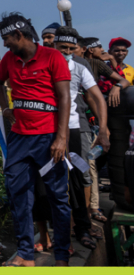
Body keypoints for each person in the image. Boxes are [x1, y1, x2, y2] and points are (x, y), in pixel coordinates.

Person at [0, 12, 72, 267]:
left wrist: (61, 139)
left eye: (7, 38)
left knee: (58, 197)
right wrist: (6, 109)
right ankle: (26, 254)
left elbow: (64, 98)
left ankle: (61, 254)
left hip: (49, 137)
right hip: (19, 139)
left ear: (20, 34)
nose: (4, 44)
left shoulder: (52, 56)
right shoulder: (8, 59)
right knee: (18, 196)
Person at [53, 27, 109, 250]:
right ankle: (62, 232)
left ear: (76, 48)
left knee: (78, 178)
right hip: (50, 131)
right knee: (54, 181)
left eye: (70, 48)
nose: (66, 51)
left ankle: (83, 227)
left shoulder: (78, 66)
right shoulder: (44, 65)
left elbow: (96, 96)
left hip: (75, 130)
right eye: (62, 47)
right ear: (54, 46)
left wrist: (103, 129)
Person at [82, 37, 130, 105]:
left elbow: (122, 80)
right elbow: (121, 80)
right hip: (91, 104)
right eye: (99, 47)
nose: (102, 50)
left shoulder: (131, 70)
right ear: (91, 50)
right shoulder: (98, 63)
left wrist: (117, 87)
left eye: (123, 50)